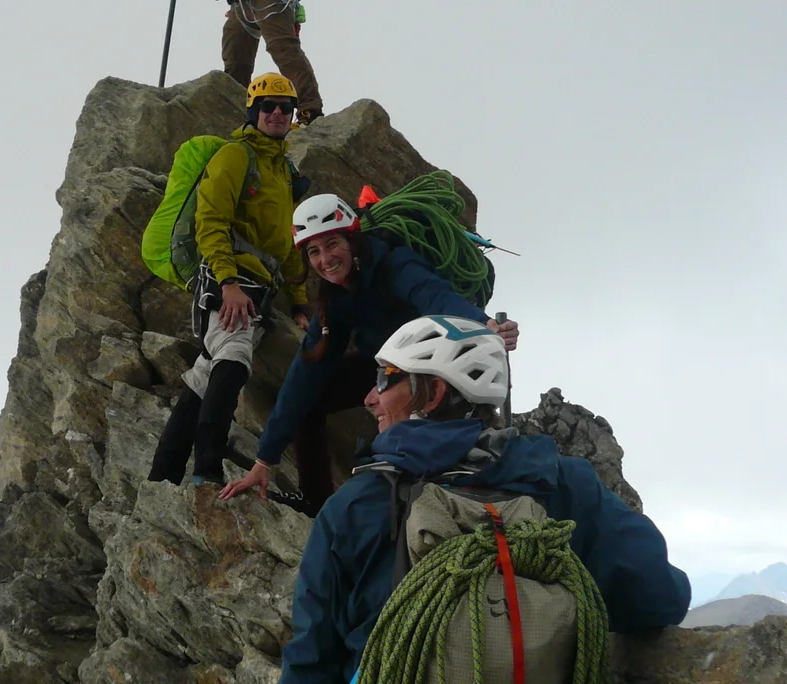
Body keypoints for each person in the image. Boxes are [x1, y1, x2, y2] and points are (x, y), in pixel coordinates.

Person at [279, 315, 693, 682]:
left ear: (434, 391)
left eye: (387, 377)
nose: (371, 397)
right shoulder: (564, 482)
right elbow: (659, 598)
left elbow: (312, 658)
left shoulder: (353, 507)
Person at [217, 192, 519, 514]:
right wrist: (265, 459)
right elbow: (304, 375)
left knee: (414, 411)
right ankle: (315, 504)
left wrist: (483, 324)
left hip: (430, 365)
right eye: (314, 252)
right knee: (309, 401)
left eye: (332, 244)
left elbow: (436, 296)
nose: (325, 259)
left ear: (352, 240)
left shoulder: (395, 263)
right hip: (383, 365)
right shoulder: (335, 299)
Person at [146, 72, 312, 487]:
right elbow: (211, 222)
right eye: (267, 107)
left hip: (259, 286)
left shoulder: (283, 171)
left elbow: (285, 247)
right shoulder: (236, 156)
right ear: (253, 111)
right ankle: (207, 472)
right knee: (233, 363)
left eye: (285, 108)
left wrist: (300, 302)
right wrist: (227, 284)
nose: (276, 114)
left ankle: (162, 475)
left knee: (205, 376)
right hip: (232, 282)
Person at [222, 0, 323, 127]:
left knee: (284, 50)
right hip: (241, 5)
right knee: (235, 60)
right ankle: (240, 115)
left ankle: (310, 111)